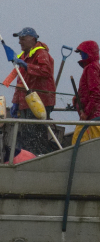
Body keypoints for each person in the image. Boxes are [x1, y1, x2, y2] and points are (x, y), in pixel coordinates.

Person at [11, 27, 57, 155]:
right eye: (19, 39)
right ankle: (29, 159)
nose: (20, 42)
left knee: (36, 135)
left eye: (23, 38)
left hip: (40, 103)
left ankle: (38, 160)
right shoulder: (23, 56)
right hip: (26, 102)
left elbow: (46, 71)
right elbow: (20, 82)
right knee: (26, 135)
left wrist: (27, 66)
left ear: (32, 39)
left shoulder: (41, 53)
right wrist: (15, 102)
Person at [72, 40, 100, 144]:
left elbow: (96, 94)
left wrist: (86, 113)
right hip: (93, 117)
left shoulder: (91, 68)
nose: (80, 55)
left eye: (82, 52)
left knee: (79, 145)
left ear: (88, 53)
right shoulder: (98, 67)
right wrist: (78, 96)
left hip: (91, 118)